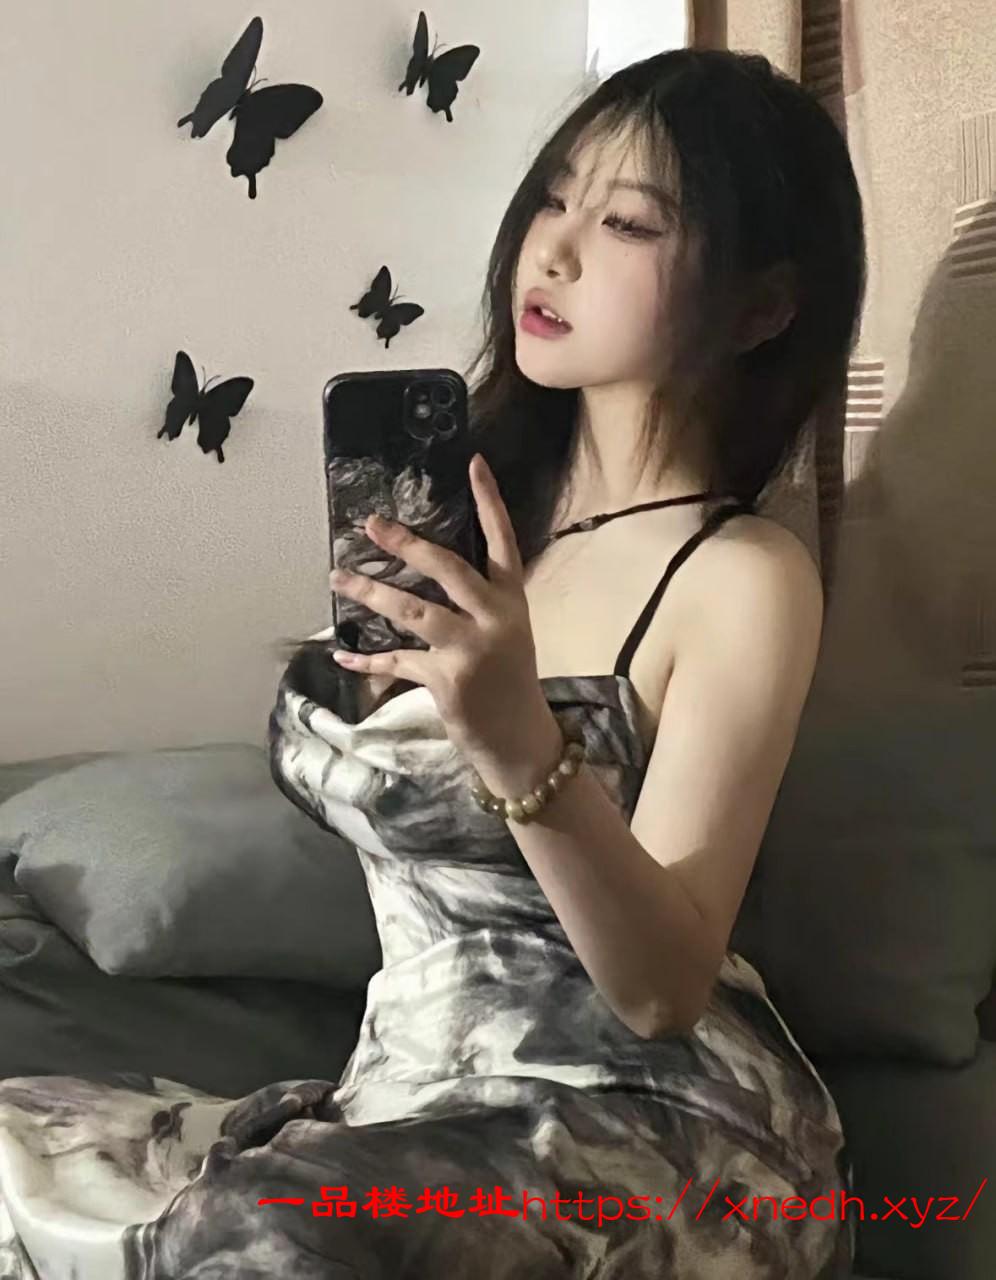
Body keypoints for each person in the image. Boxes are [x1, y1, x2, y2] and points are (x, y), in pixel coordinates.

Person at [0, 47, 865, 1279]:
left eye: (626, 223)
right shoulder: (467, 530)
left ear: (761, 309)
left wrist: (519, 740)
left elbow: (664, 990)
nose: (553, 250)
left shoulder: (742, 574)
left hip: (644, 1122)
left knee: (268, 1227)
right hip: (413, 1097)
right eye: (554, 198)